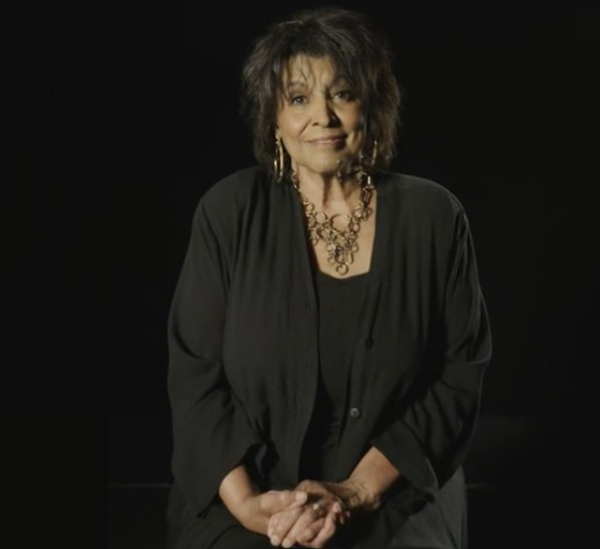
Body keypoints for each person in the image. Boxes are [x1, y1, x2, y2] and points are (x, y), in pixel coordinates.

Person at [166, 7, 492, 549]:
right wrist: (249, 505)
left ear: (372, 106)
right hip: (249, 489)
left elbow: (459, 373)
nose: (323, 116)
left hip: (392, 487)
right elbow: (195, 376)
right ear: (274, 118)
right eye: (298, 98)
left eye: (341, 93)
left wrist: (358, 490)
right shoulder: (228, 212)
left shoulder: (435, 217)